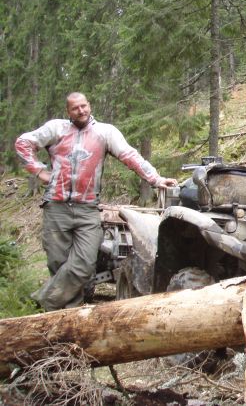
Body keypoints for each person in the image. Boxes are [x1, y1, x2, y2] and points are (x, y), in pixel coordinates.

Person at [15, 92, 178, 312]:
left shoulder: (104, 132)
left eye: (84, 106)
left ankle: (40, 302)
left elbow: (130, 156)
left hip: (88, 208)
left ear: (89, 106)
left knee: (84, 265)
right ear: (68, 111)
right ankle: (67, 315)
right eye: (75, 108)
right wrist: (38, 171)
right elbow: (23, 142)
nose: (81, 110)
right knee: (58, 264)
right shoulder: (56, 129)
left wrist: (156, 179)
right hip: (56, 206)